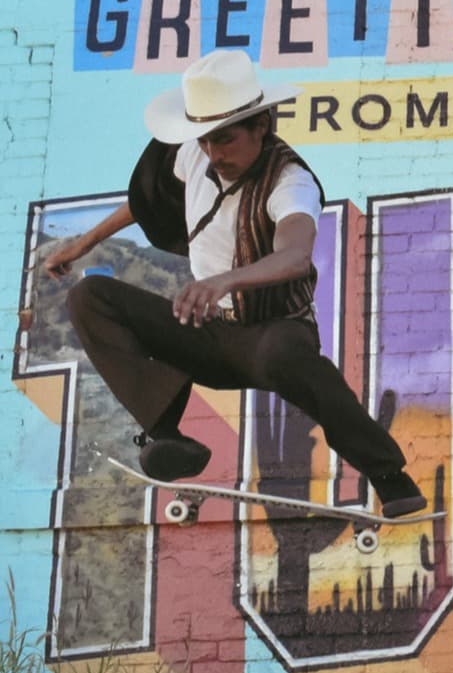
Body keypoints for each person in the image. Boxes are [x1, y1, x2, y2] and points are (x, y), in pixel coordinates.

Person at [43, 48, 427, 519]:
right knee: (91, 297)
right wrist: (83, 243)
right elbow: (142, 206)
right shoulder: (196, 153)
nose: (214, 154)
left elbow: (294, 253)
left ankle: (391, 477)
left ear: (260, 126)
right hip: (207, 332)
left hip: (273, 332)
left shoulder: (290, 181)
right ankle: (168, 435)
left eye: (225, 140)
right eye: (205, 141)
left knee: (289, 358)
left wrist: (226, 280)